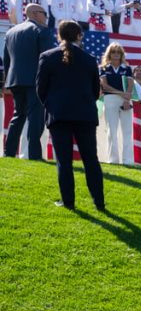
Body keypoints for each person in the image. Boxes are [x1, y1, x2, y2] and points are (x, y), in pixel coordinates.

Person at [37, 21, 102, 211]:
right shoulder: (89, 59)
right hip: (85, 115)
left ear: (59, 35)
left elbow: (41, 89)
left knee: (64, 161)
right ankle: (99, 202)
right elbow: (95, 91)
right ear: (79, 36)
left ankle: (68, 202)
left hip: (59, 114)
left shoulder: (47, 57)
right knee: (91, 159)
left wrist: (52, 106)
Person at [3, 4, 51, 160]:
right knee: (35, 118)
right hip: (34, 80)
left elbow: (7, 60)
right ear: (35, 14)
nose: (46, 17)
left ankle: (9, 152)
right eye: (44, 13)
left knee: (18, 116)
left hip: (15, 80)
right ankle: (34, 155)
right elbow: (47, 59)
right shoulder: (41, 31)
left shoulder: (11, 32)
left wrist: (6, 82)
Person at [99, 42, 134, 166]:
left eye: (118, 52)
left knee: (127, 131)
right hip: (110, 100)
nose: (116, 54)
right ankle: (113, 159)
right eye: (113, 52)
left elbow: (130, 85)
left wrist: (126, 99)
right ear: (109, 54)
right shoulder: (104, 68)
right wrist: (121, 93)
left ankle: (128, 160)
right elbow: (104, 85)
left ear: (121, 54)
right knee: (111, 130)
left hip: (125, 100)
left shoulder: (127, 68)